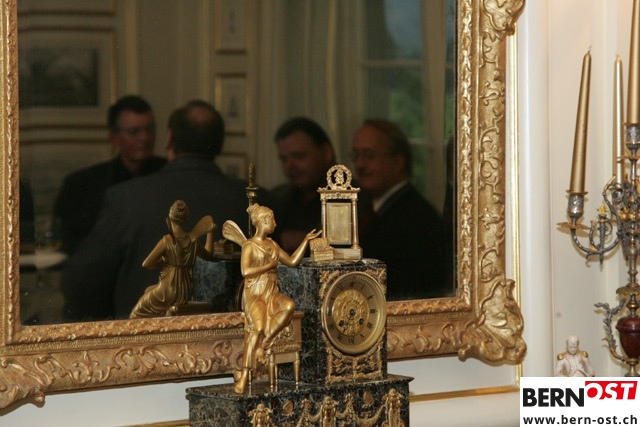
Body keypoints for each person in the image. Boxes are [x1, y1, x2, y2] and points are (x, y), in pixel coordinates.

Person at [61, 100, 274, 321]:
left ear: (169, 138)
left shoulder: (126, 198)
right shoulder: (260, 202)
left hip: (149, 335)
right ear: (221, 144)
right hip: (235, 335)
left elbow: (80, 284)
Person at [222, 204, 321, 393]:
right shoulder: (249, 246)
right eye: (272, 219)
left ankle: (264, 345)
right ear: (263, 221)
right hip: (255, 294)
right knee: (257, 328)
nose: (275, 223)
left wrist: (305, 241)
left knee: (289, 305)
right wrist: (268, 266)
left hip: (271, 292)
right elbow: (245, 271)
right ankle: (244, 376)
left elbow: (291, 261)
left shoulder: (273, 245)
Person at [54, 95, 166, 255]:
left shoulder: (170, 173)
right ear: (114, 138)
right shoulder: (82, 185)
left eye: (149, 129)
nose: (144, 138)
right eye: (134, 132)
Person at [351, 118, 447, 300]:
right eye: (356, 156)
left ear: (398, 162)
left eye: (369, 156)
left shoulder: (415, 219)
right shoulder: (373, 207)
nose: (360, 165)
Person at [129, 200, 216, 318]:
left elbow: (146, 264)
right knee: (148, 290)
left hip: (168, 288)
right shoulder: (192, 240)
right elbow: (208, 254)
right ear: (186, 220)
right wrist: (210, 232)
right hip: (184, 291)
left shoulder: (166, 241)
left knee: (136, 313)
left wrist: (162, 259)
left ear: (169, 220)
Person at [271, 117, 335, 253]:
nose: (290, 165)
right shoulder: (278, 197)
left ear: (326, 153)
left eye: (299, 156)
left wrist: (306, 241)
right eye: (284, 159)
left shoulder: (353, 196)